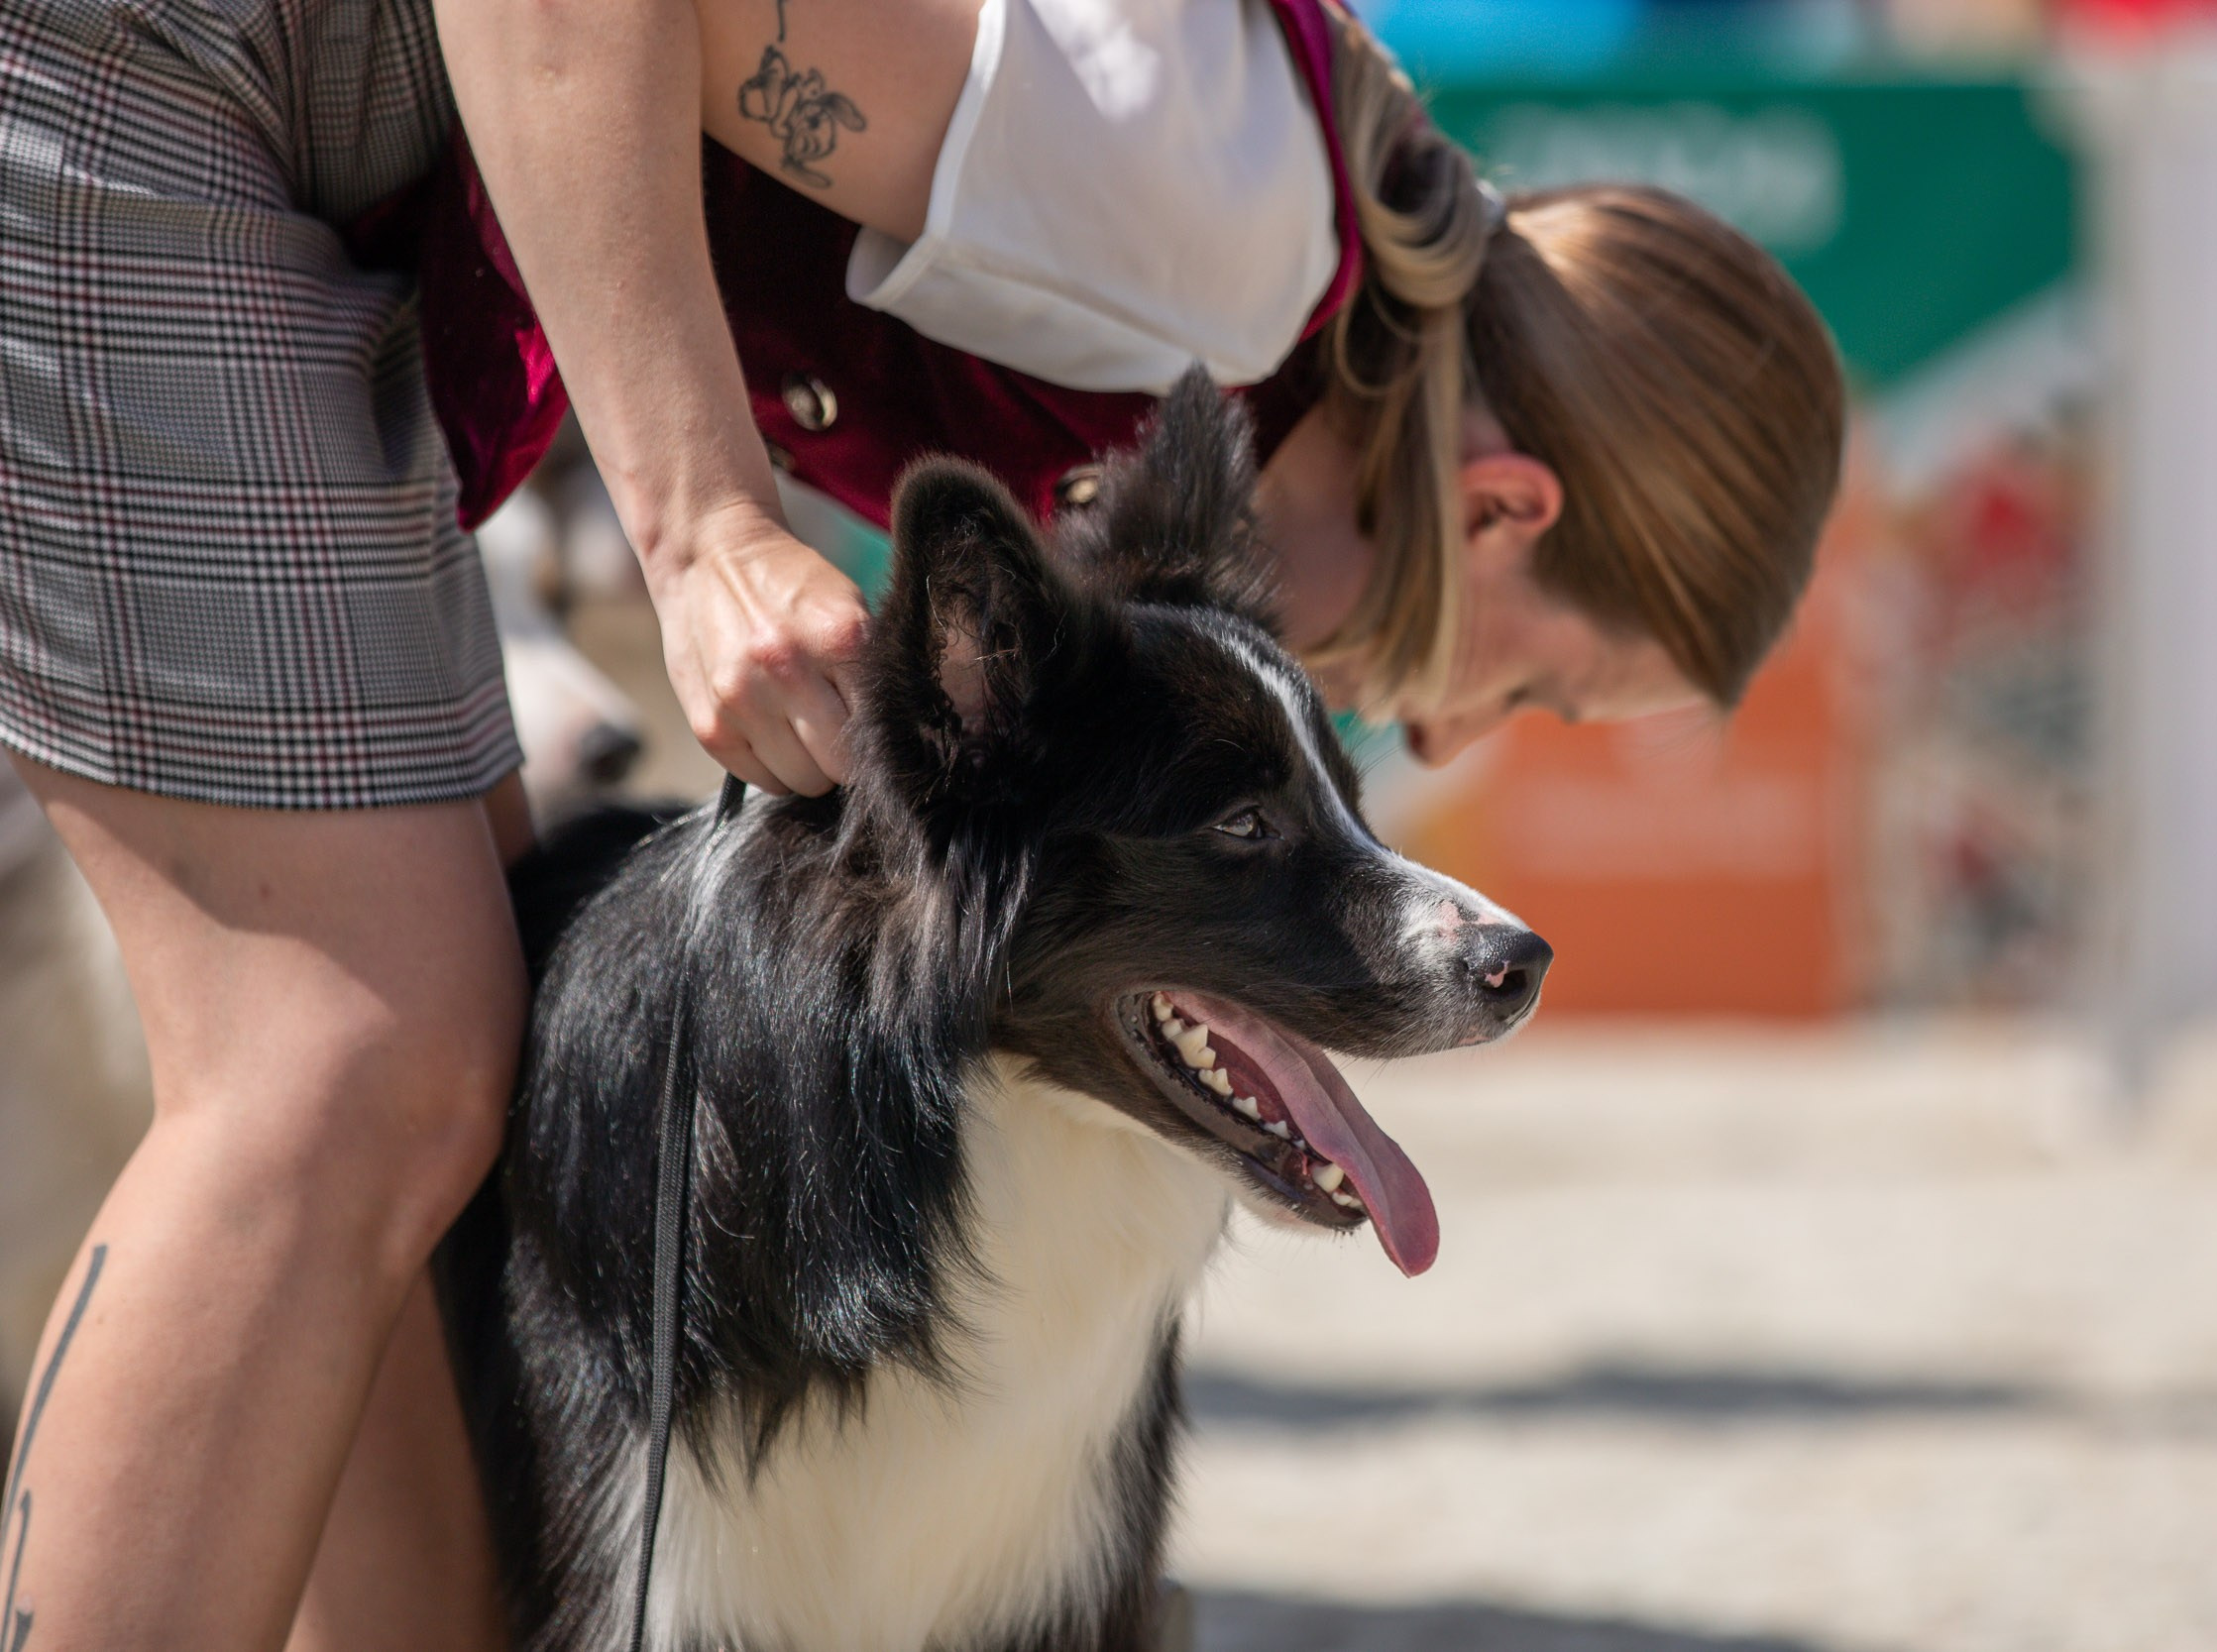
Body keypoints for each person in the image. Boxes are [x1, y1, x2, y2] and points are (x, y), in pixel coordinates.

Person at [0, 0, 1842, 1647]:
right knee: (346, 1063)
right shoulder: (1210, 219)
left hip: (335, 159)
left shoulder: (1222, 334)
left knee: (461, 1069)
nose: (1443, 728)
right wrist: (701, 513)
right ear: (1511, 508)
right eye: (1533, 689)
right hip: (166, 65)